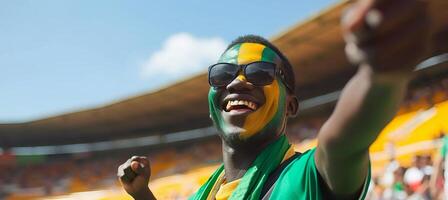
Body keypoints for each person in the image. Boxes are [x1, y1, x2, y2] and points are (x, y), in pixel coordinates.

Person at [118, 0, 429, 199]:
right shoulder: (202, 193)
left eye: (261, 72)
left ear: (290, 105)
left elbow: (343, 142)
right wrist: (143, 194)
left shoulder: (309, 178)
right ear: (211, 107)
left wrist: (382, 72)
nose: (238, 81)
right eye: (223, 74)